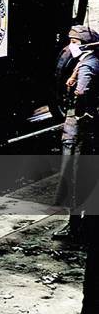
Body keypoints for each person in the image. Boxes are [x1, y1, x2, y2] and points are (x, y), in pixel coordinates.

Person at [54, 25, 99, 242]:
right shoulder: (91, 60)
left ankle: (75, 227)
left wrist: (80, 115)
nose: (71, 45)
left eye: (74, 42)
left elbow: (82, 91)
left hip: (78, 126)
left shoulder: (88, 64)